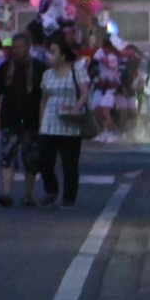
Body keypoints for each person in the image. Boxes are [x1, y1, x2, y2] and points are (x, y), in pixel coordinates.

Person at [0, 30, 47, 208]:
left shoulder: (39, 68)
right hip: (9, 117)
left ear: (28, 48)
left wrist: (43, 118)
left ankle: (28, 194)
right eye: (14, 47)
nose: (16, 51)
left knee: (31, 159)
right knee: (8, 156)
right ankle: (6, 192)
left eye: (20, 47)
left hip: (32, 119)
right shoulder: (6, 68)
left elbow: (44, 96)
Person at [38, 37, 92, 208]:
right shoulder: (47, 75)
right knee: (44, 160)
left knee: (69, 163)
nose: (49, 56)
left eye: (53, 52)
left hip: (70, 121)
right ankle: (51, 188)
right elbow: (43, 100)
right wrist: (40, 123)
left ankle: (69, 197)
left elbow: (85, 93)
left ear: (63, 55)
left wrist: (76, 108)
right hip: (50, 121)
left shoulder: (76, 71)